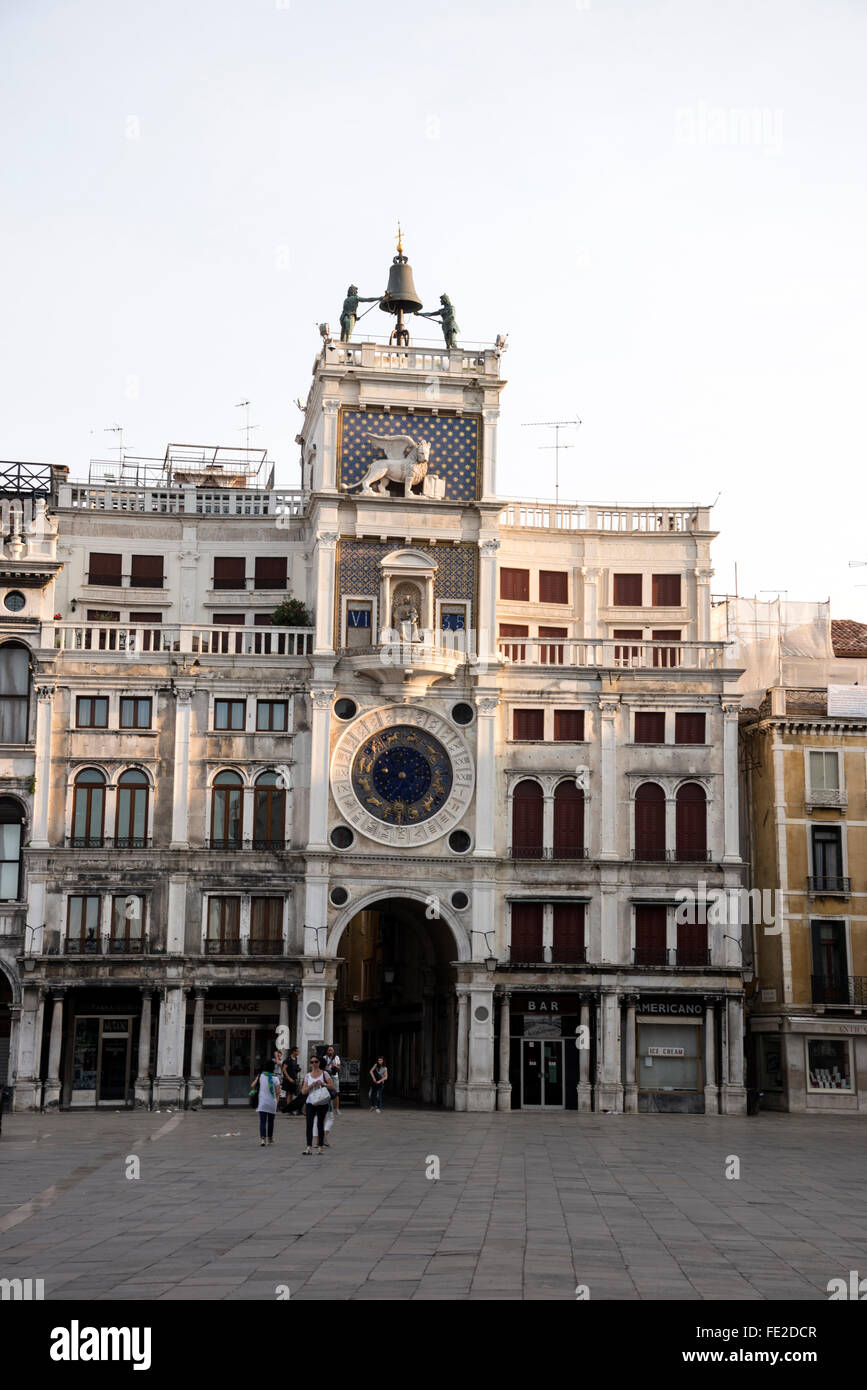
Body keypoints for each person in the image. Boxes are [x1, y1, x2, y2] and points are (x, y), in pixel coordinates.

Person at [300, 1055, 335, 1155]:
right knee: (309, 1125)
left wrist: (323, 1084)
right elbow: (303, 1091)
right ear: (310, 1064)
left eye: (316, 1062)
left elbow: (332, 1087)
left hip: (322, 1102)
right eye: (312, 1062)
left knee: (320, 1124)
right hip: (310, 1102)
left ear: (319, 1063)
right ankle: (308, 1147)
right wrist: (311, 1085)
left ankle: (320, 1147)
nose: (314, 1064)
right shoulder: (307, 1075)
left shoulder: (325, 1074)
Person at [253, 1057, 281, 1146]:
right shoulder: (275, 1078)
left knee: (262, 1121)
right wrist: (277, 1102)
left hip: (262, 1102)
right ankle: (270, 1138)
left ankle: (262, 1139)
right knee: (271, 1121)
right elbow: (278, 1092)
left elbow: (252, 1085)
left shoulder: (260, 1075)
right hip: (272, 1102)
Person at [322, 1045, 341, 1115]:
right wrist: (325, 1068)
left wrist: (335, 1066)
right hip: (326, 1077)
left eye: (331, 1050)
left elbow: (339, 1067)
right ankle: (328, 1108)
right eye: (329, 1050)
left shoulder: (337, 1057)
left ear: (333, 1051)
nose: (330, 1051)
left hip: (335, 1076)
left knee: (336, 1093)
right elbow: (321, 1067)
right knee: (327, 1092)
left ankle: (337, 1109)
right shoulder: (324, 1057)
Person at [282, 1047, 301, 1115]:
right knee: (290, 1094)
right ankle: (289, 1109)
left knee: (293, 1093)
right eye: (297, 1051)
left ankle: (292, 1108)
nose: (298, 1052)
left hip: (294, 1078)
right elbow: (284, 1069)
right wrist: (289, 1078)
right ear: (293, 1052)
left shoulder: (295, 1059)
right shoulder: (288, 1059)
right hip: (289, 1079)